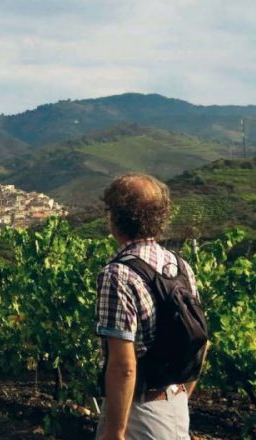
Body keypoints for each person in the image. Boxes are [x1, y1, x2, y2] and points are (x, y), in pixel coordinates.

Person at [95, 174, 198, 440]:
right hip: (175, 405)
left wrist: (115, 432)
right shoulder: (180, 267)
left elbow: (123, 366)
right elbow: (199, 340)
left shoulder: (118, 274)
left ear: (116, 218)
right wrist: (180, 394)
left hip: (138, 411)